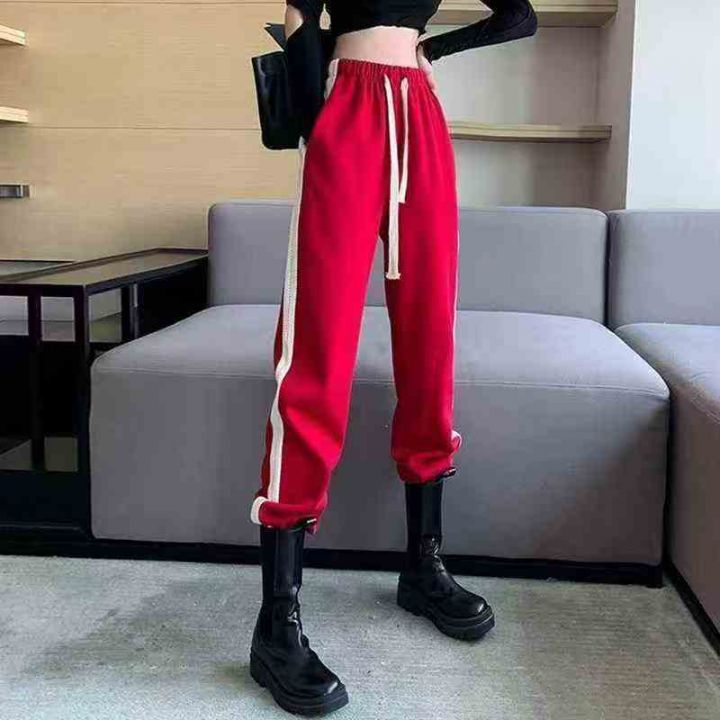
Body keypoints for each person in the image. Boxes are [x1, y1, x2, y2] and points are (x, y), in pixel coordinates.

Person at [249, 1, 538, 715]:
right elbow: (298, 12)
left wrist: (431, 53)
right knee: (316, 350)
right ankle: (276, 623)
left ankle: (423, 566)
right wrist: (318, 123)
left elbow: (518, 16)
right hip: (345, 109)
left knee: (430, 342)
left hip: (420, 117)